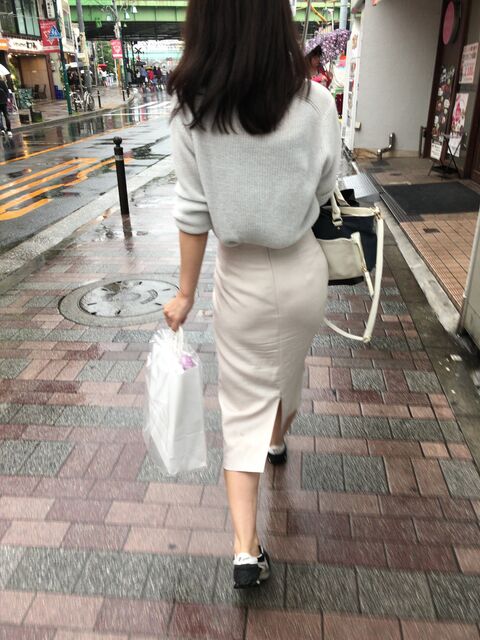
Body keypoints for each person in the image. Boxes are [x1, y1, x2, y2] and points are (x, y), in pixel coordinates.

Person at [164, 0, 340, 590]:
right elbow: (326, 186)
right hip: (302, 270)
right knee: (287, 371)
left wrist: (185, 293)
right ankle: (279, 437)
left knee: (240, 403)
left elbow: (192, 212)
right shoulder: (316, 104)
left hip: (239, 277)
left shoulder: (194, 111)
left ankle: (245, 549)